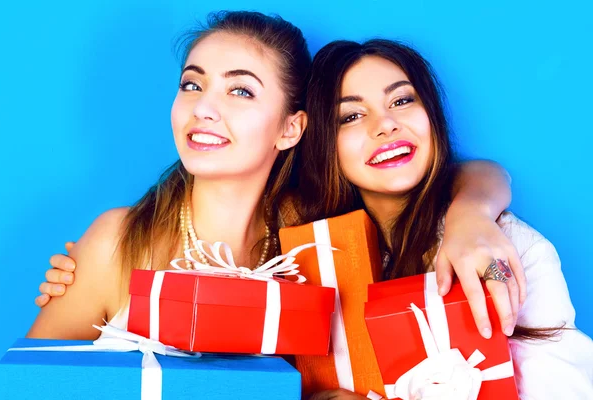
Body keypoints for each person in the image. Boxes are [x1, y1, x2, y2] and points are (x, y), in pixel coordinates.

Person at [31, 12, 521, 339]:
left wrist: (471, 216)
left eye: (239, 91)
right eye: (192, 84)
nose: (203, 107)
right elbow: (29, 385)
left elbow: (463, 173)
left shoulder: (317, 234)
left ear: (291, 128)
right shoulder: (120, 241)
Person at [297, 39, 593, 399]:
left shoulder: (507, 243)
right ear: (323, 142)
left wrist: (480, 231)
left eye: (402, 100)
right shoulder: (304, 256)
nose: (386, 124)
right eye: (351, 116)